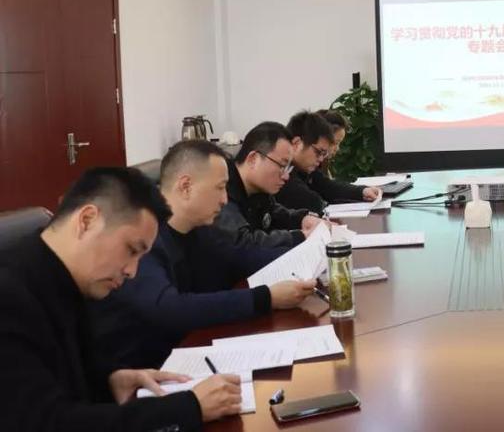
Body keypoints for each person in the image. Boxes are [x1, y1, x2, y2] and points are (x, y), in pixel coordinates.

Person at [0, 167, 242, 430]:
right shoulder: (10, 297)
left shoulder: (68, 277)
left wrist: (110, 380)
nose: (132, 271)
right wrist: (186, 408)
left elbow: (68, 377)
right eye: (131, 250)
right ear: (87, 220)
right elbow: (48, 422)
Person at [91, 141, 316, 368]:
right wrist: (266, 298)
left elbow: (241, 258)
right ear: (186, 187)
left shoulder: (201, 230)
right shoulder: (144, 237)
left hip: (191, 350)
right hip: (145, 368)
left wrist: (307, 254)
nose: (225, 200)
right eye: (220, 188)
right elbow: (169, 308)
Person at [215, 121, 327, 248]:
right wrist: (299, 237)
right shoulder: (221, 189)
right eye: (282, 166)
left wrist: (303, 219)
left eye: (288, 168)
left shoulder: (258, 191)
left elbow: (275, 214)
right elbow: (241, 245)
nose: (286, 176)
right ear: (253, 159)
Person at [276, 110, 379, 213]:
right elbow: (312, 202)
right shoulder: (280, 171)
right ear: (297, 143)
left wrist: (361, 191)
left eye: (323, 153)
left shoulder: (302, 168)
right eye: (318, 152)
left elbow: (326, 186)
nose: (321, 159)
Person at [314, 109, 380, 203]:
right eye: (335, 143)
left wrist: (362, 191)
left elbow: (329, 186)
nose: (337, 149)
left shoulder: (321, 164)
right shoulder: (302, 169)